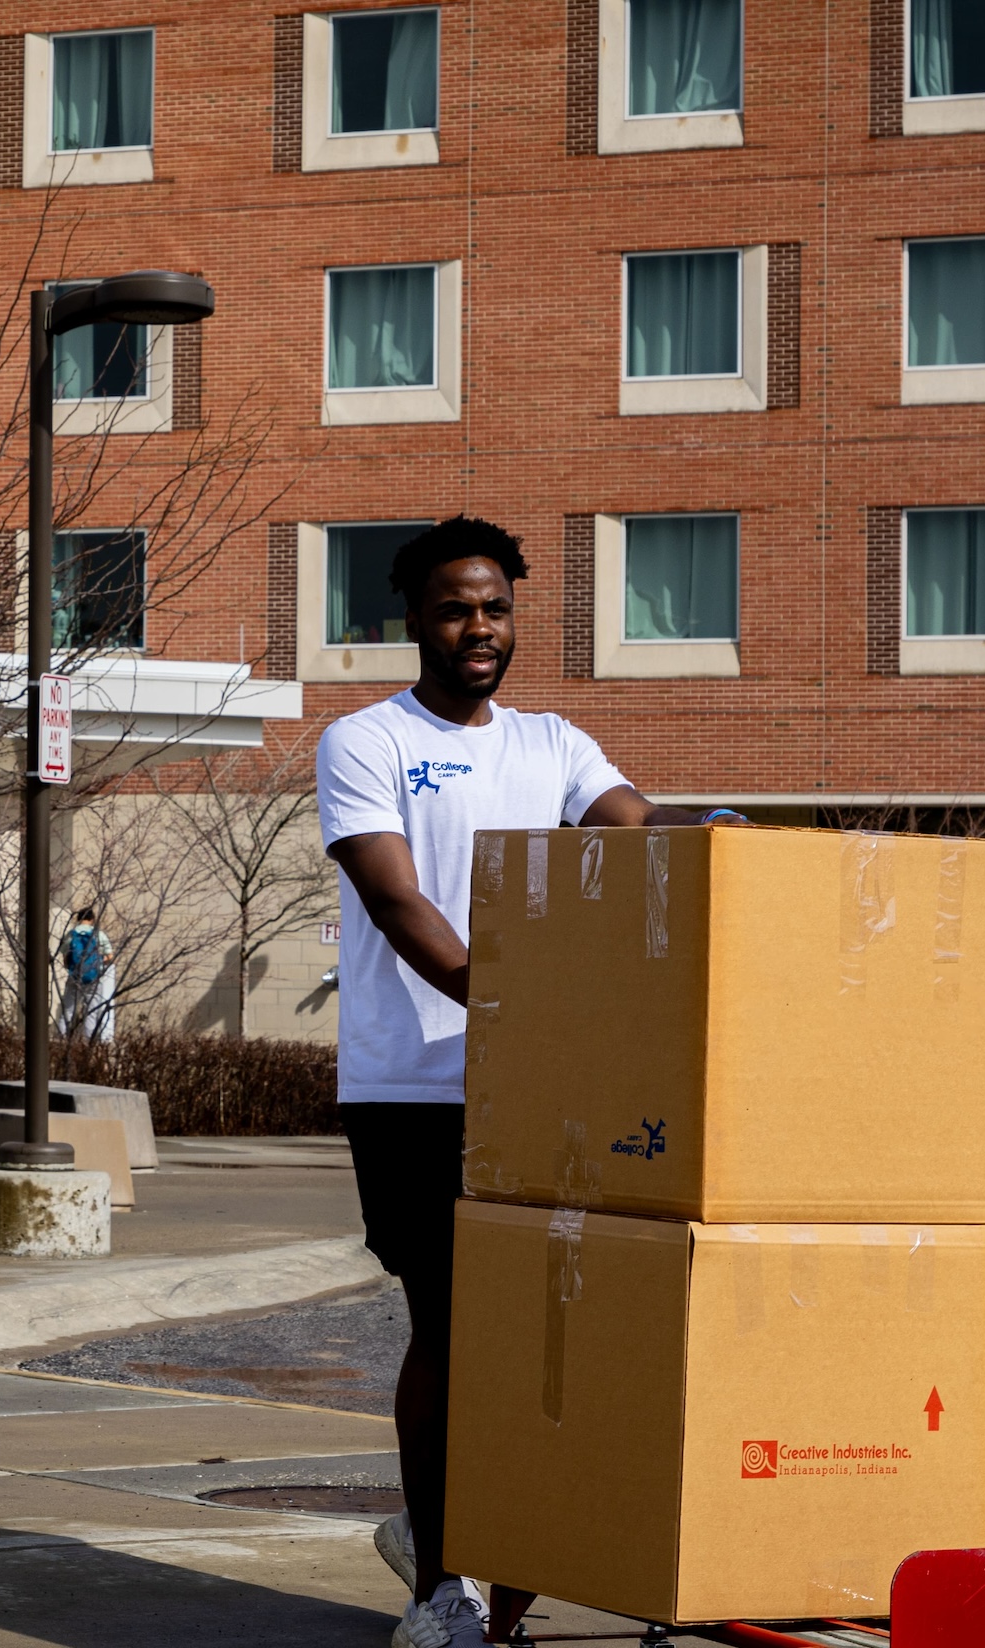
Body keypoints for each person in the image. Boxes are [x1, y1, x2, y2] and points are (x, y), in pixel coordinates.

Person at [315, 516, 745, 1648]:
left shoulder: (552, 743)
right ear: (411, 616)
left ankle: (498, 1582)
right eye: (456, 607)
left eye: (496, 608)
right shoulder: (364, 741)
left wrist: (712, 836)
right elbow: (400, 906)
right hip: (414, 1087)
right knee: (454, 1328)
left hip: (540, 1080)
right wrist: (521, 1013)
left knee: (548, 1339)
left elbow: (635, 828)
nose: (478, 628)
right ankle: (437, 1589)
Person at [58, 906, 113, 1041]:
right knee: (91, 1011)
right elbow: (110, 956)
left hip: (75, 976)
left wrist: (72, 967)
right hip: (93, 978)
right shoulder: (99, 934)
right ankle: (87, 1042)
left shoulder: (71, 934)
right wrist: (98, 962)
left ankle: (61, 1039)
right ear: (92, 919)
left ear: (78, 919)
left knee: (68, 1010)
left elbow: (65, 957)